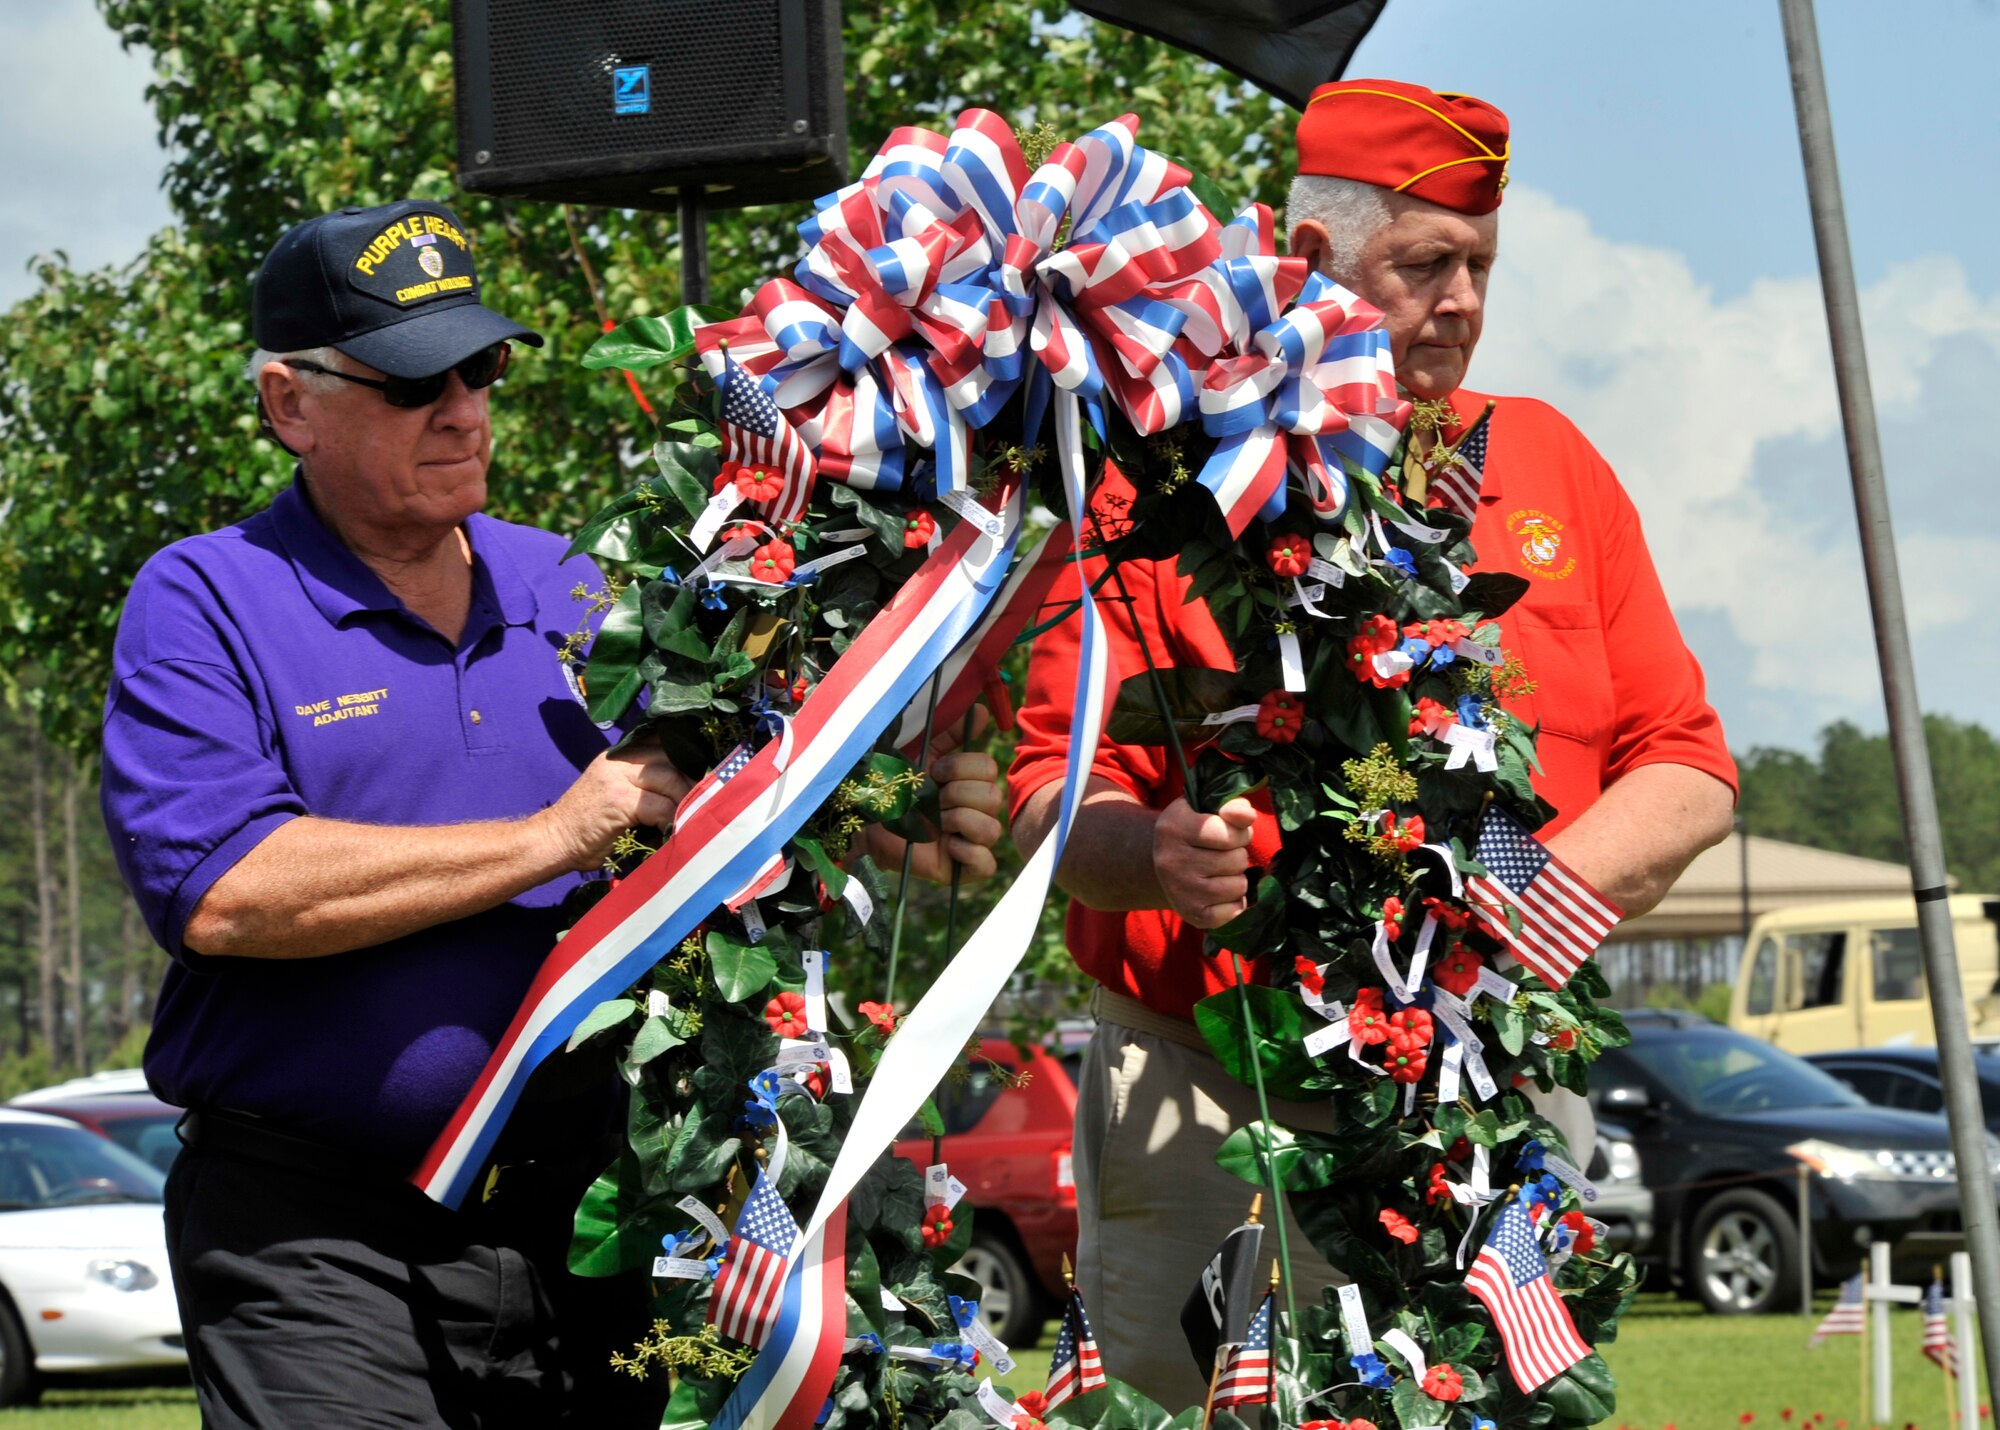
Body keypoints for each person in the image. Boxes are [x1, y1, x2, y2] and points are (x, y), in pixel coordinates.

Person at [100, 200, 1004, 1429]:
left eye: (479, 367)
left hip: (596, 1223)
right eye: (415, 379)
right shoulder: (206, 596)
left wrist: (902, 809)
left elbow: (741, 788)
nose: (463, 405)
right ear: (288, 402)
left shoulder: (580, 582)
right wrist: (552, 835)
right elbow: (220, 889)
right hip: (318, 1236)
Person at [1009, 81, 1738, 1407]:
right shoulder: (1152, 489)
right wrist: (1156, 853)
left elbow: (1686, 765)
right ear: (1310, 264)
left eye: (1480, 265)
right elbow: (1045, 802)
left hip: (1488, 1088)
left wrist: (1511, 922)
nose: (1460, 299)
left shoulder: (1552, 464)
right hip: (1213, 1102)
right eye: (1424, 263)